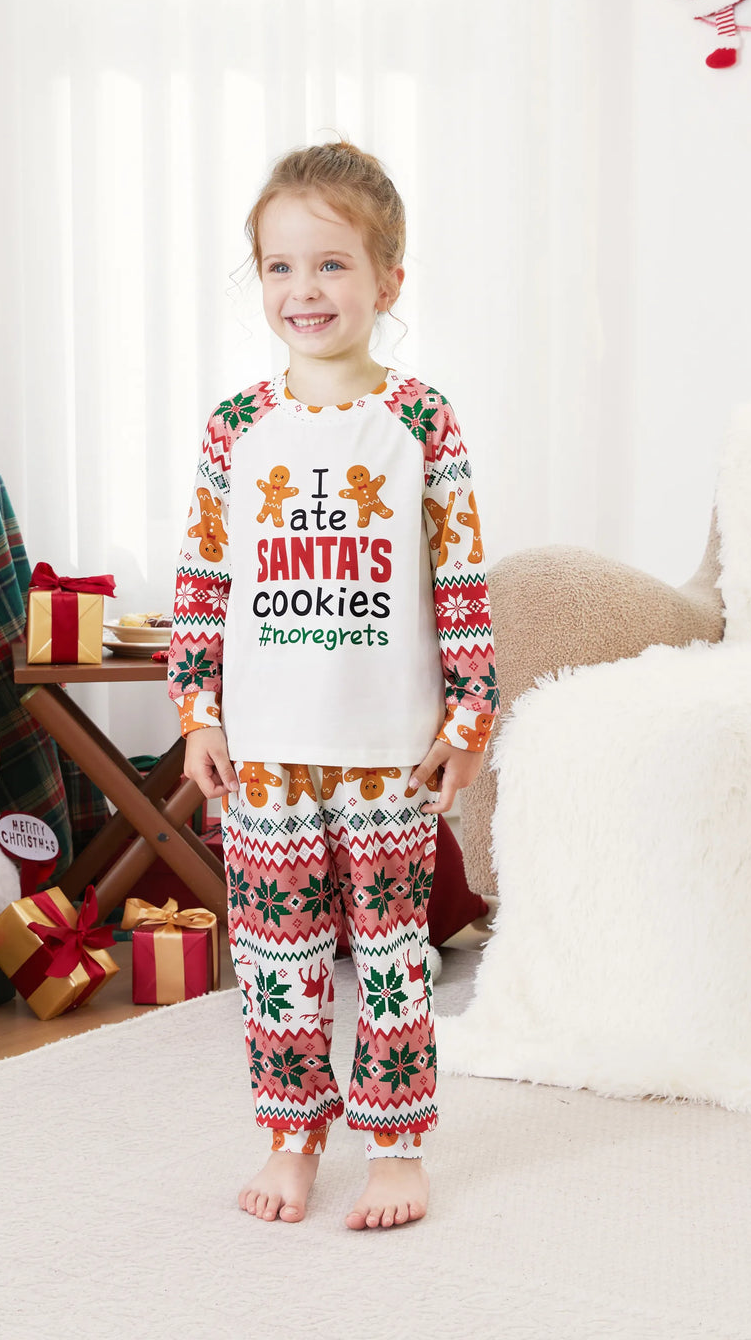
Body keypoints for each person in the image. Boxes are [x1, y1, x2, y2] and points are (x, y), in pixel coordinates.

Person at [169, 140, 499, 1230]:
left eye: (332, 266)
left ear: (388, 281)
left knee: (396, 953)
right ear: (257, 278)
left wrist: (467, 715)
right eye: (280, 268)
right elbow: (204, 576)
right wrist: (198, 710)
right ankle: (292, 1134)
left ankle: (398, 1145)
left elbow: (458, 570)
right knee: (275, 952)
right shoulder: (235, 427)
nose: (304, 291)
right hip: (265, 748)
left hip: (391, 748)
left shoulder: (420, 421)